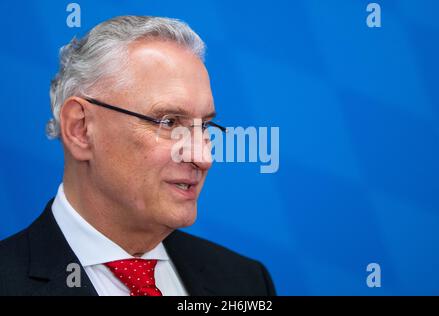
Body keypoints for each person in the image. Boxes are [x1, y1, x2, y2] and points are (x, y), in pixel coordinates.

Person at [0, 15, 275, 296]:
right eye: (169, 122)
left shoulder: (245, 282)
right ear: (80, 129)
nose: (203, 157)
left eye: (203, 126)